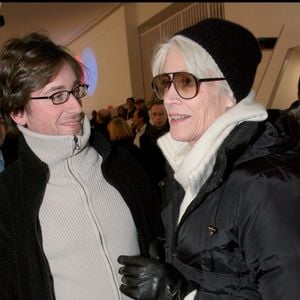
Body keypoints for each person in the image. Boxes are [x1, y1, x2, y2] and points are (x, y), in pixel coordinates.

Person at [118, 18, 300, 299]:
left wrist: (181, 295)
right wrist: (171, 255)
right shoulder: (187, 168)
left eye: (186, 82)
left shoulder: (264, 183)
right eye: (165, 83)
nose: (169, 98)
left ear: (230, 93)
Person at [0, 32, 161, 299]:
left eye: (76, 90)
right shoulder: (8, 198)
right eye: (57, 96)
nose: (76, 107)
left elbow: (162, 240)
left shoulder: (123, 165)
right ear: (18, 112)